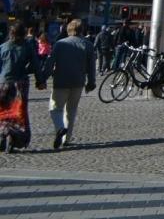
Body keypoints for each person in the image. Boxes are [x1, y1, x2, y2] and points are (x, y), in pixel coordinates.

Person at [42, 19, 96, 149]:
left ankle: (60, 128)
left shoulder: (60, 44)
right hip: (78, 82)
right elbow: (91, 66)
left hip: (61, 81)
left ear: (68, 30)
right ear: (82, 30)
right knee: (71, 111)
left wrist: (42, 78)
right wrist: (91, 82)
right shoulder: (88, 45)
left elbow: (50, 63)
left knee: (55, 108)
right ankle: (67, 139)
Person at [0, 22, 36, 151]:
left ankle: (3, 134)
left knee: (3, 112)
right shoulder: (27, 47)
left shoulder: (3, 47)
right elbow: (35, 65)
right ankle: (15, 137)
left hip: (3, 83)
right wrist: (40, 80)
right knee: (19, 112)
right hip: (20, 83)